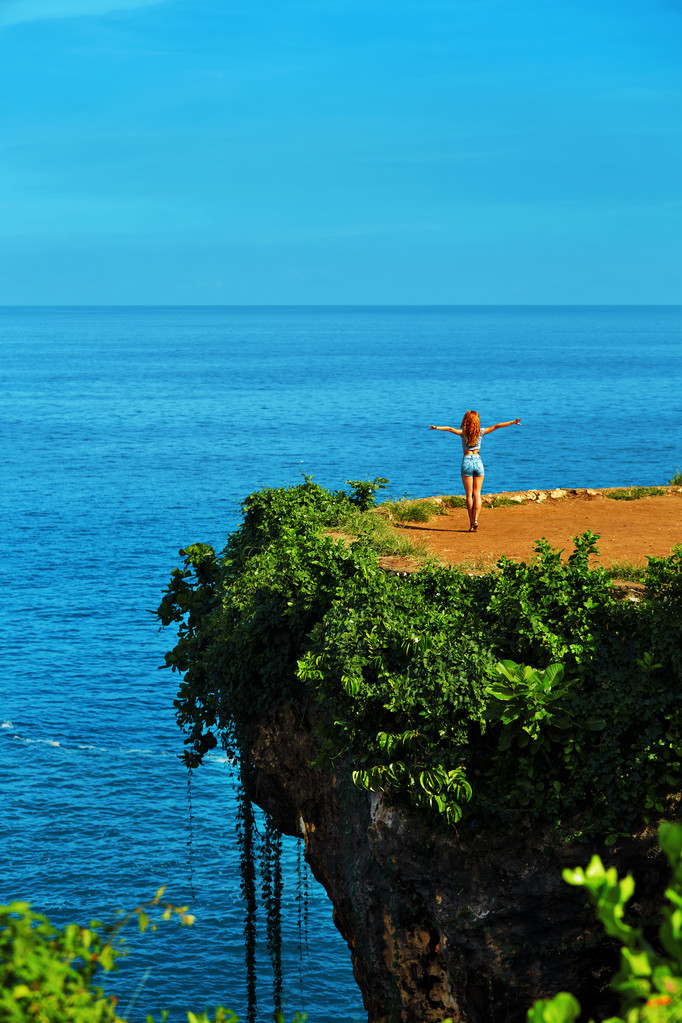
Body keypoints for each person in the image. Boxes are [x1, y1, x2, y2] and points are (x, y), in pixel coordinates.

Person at [429, 411, 521, 531]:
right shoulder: (481, 432)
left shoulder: (463, 433)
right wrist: (512, 422)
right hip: (478, 462)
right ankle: (476, 520)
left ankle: (471, 523)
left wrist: (437, 427)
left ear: (465, 421)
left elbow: (450, 429)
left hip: (466, 461)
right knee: (477, 494)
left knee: (469, 495)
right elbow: (496, 426)